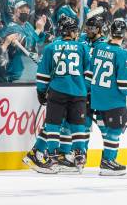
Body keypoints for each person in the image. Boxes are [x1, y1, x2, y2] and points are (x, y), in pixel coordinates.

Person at [24, 15, 90, 174]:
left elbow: (43, 74)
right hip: (78, 92)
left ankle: (52, 156)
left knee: (53, 124)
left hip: (57, 91)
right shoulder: (82, 47)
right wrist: (86, 90)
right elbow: (88, 73)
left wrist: (41, 91)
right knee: (77, 124)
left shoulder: (50, 47)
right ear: (73, 31)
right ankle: (79, 153)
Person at [88, 19, 127, 175]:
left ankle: (105, 160)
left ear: (110, 32)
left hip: (96, 101)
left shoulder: (97, 48)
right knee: (114, 132)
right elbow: (124, 85)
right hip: (114, 102)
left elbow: (89, 73)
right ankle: (108, 163)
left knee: (106, 132)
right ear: (125, 34)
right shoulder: (124, 55)